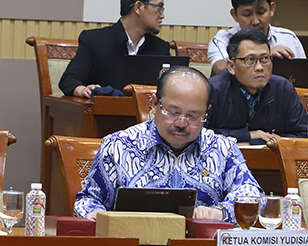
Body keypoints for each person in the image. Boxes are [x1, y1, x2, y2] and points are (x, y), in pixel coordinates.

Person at [74, 66, 261, 223]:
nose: (181, 123)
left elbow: (253, 198)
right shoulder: (118, 145)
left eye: (193, 116)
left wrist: (220, 213)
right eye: (172, 112)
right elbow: (88, 200)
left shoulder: (223, 148)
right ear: (155, 104)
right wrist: (95, 215)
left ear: (206, 112)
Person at [59, 0, 171, 98]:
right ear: (138, 7)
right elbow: (69, 80)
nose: (162, 15)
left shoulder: (161, 48)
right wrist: (81, 90)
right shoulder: (94, 40)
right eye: (159, 8)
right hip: (103, 114)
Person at [206, 28, 308, 143]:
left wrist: (259, 142)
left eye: (265, 59)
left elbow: (304, 133)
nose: (259, 67)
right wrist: (248, 135)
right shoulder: (212, 90)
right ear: (231, 66)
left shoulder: (283, 88)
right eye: (250, 60)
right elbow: (199, 134)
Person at [207, 0, 305, 76]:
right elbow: (219, 69)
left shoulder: (288, 39)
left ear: (271, 9)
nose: (255, 21)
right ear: (234, 15)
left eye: (261, 13)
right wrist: (265, 54)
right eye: (247, 14)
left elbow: (305, 74)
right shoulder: (222, 40)